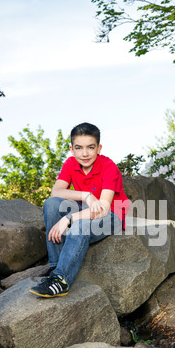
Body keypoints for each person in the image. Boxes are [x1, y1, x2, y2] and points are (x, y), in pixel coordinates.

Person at [29, 122, 129, 298]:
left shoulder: (108, 167)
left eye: (90, 147)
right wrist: (86, 196)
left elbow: (103, 209)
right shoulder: (70, 163)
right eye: (79, 148)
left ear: (99, 148)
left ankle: (61, 280)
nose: (84, 153)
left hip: (112, 214)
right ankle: (56, 267)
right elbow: (56, 192)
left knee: (79, 224)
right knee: (51, 204)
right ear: (72, 149)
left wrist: (68, 218)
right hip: (87, 207)